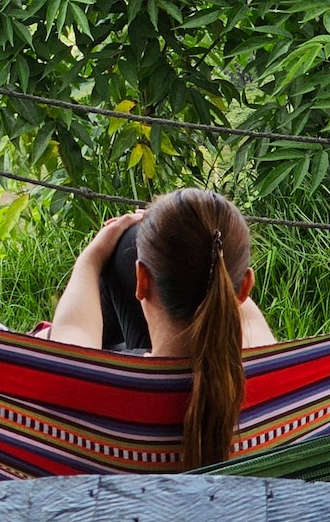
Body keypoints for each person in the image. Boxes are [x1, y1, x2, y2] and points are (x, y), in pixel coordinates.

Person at [46, 189, 278, 469]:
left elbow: (72, 330)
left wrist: (93, 257)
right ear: (244, 288)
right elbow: (248, 316)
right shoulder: (275, 378)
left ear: (141, 280)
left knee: (125, 246)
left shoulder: (86, 385)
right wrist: (219, 271)